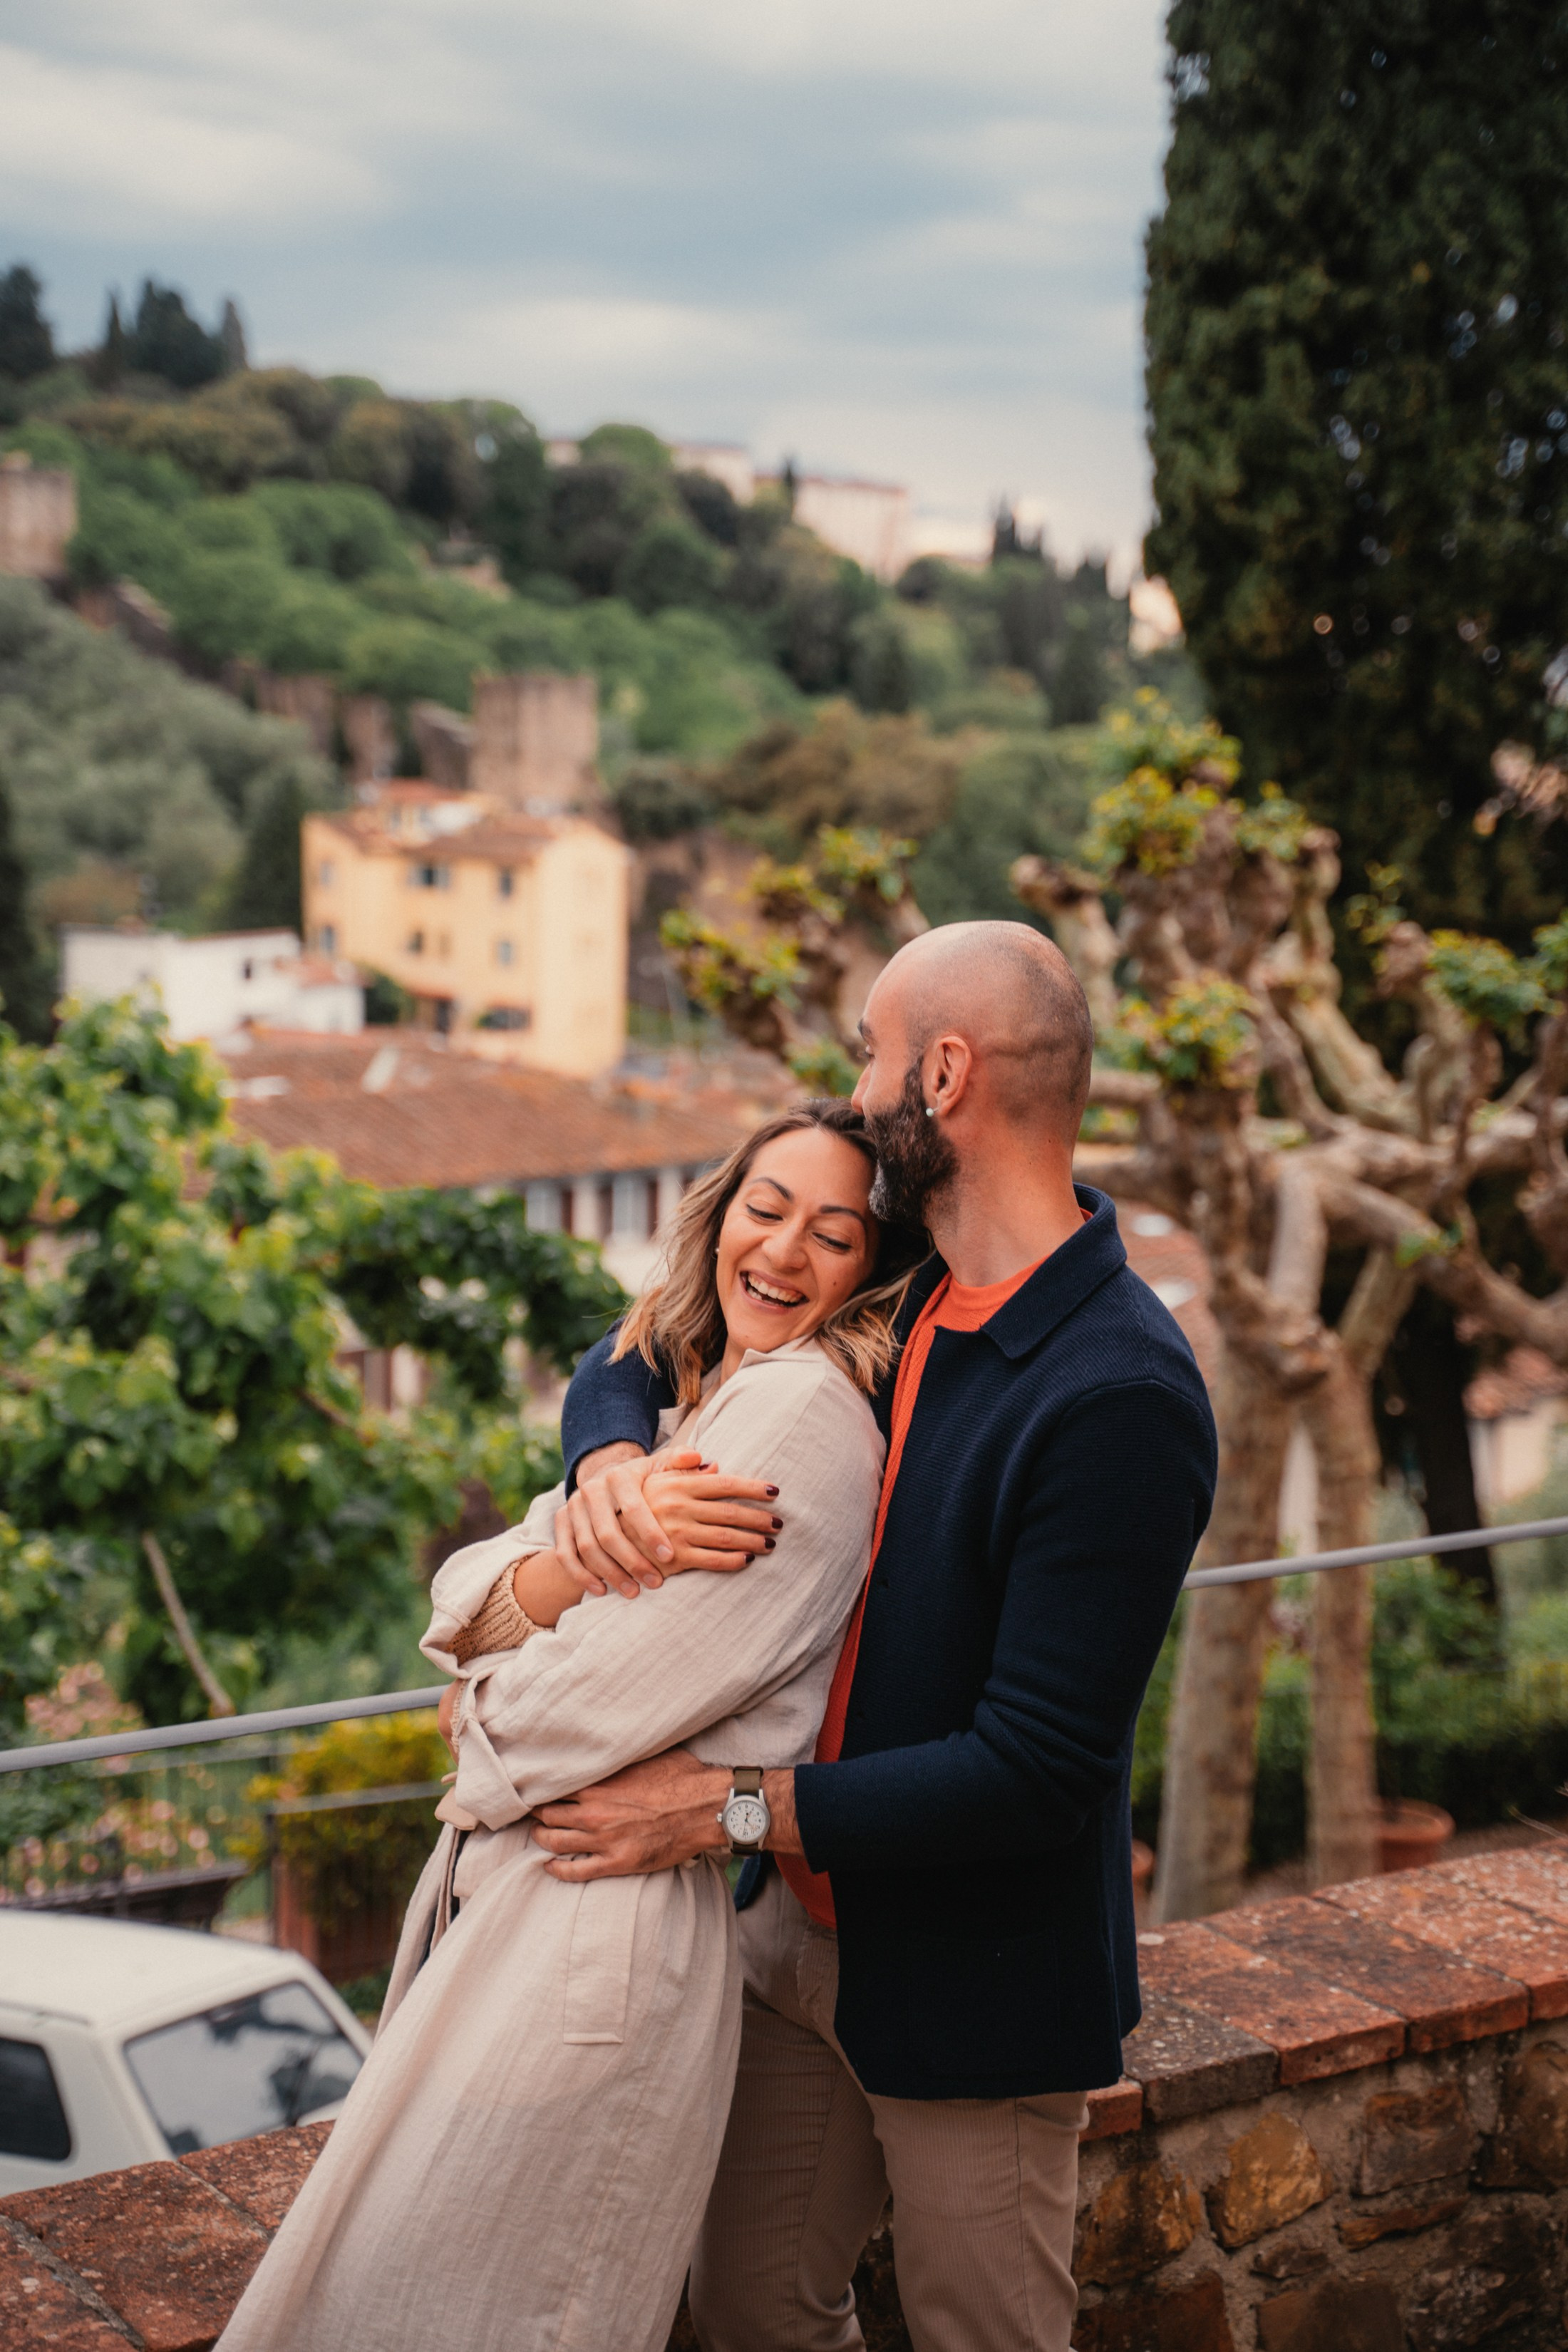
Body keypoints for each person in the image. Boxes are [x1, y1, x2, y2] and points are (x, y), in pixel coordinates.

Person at [531, 921, 1219, 2352]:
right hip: (802, 1947)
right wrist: (608, 1469)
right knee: (752, 2307)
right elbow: (636, 1348)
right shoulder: (906, 1289)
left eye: (871, 1051)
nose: (854, 1085)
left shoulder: (1117, 1392)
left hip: (974, 1982)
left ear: (944, 1072)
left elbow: (1034, 1770)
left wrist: (717, 1812)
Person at [215, 1101, 924, 2352]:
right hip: (541, 1901)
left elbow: (558, 1718)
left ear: (875, 1277)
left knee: (494, 2307)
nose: (783, 1253)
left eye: (834, 1237)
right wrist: (555, 1567)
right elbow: (463, 1598)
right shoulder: (694, 1403)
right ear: (721, 1216)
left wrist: (481, 1691)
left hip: (602, 1921)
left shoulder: (801, 1419)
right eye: (765, 1212)